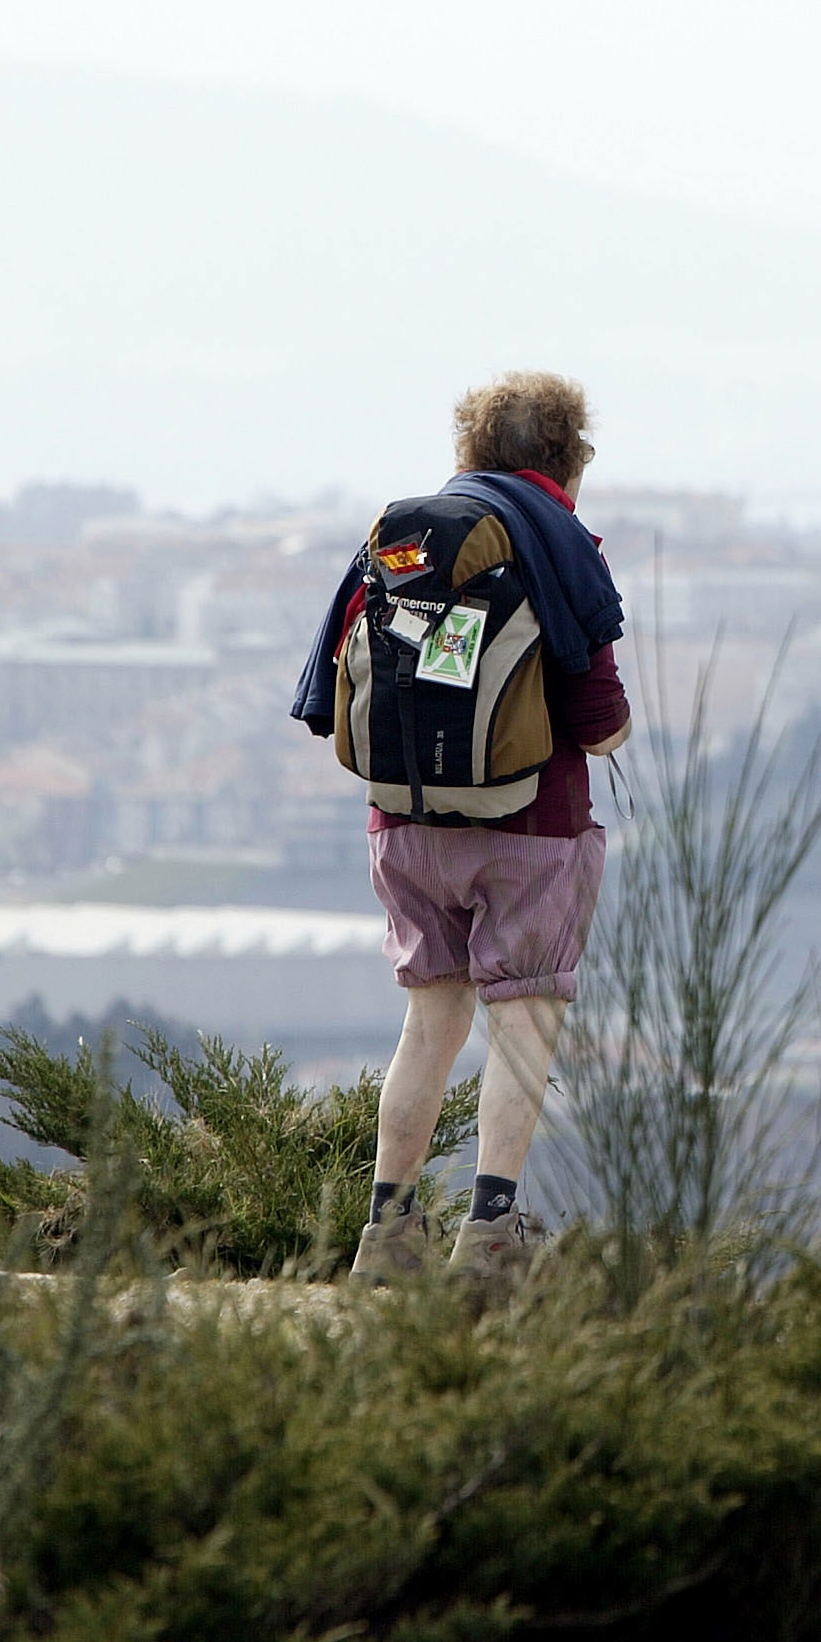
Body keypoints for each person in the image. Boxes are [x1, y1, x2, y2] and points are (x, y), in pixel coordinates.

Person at [299, 372, 630, 1289]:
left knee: (430, 1018)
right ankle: (489, 1234)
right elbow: (599, 720)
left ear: (469, 448)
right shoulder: (560, 542)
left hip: (400, 820)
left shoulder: (399, 539)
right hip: (529, 825)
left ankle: (387, 1233)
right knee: (522, 1020)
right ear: (568, 455)